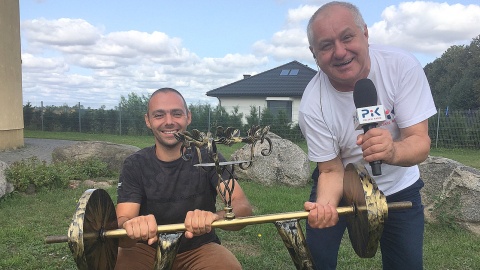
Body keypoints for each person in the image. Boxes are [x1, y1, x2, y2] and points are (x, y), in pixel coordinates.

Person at [298, 2, 437, 270]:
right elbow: (329, 170)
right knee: (316, 261)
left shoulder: (401, 67)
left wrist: (393, 151)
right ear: (313, 53)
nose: (340, 52)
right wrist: (325, 207)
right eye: (326, 45)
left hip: (399, 187)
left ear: (365, 33)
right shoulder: (312, 104)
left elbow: (420, 142)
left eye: (347, 37)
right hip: (340, 185)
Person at [115, 87, 253, 270]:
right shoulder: (135, 164)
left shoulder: (209, 157)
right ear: (148, 120)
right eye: (159, 115)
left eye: (176, 114)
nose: (169, 122)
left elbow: (242, 207)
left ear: (189, 117)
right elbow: (122, 224)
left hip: (200, 249)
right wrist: (131, 225)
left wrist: (215, 217)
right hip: (145, 249)